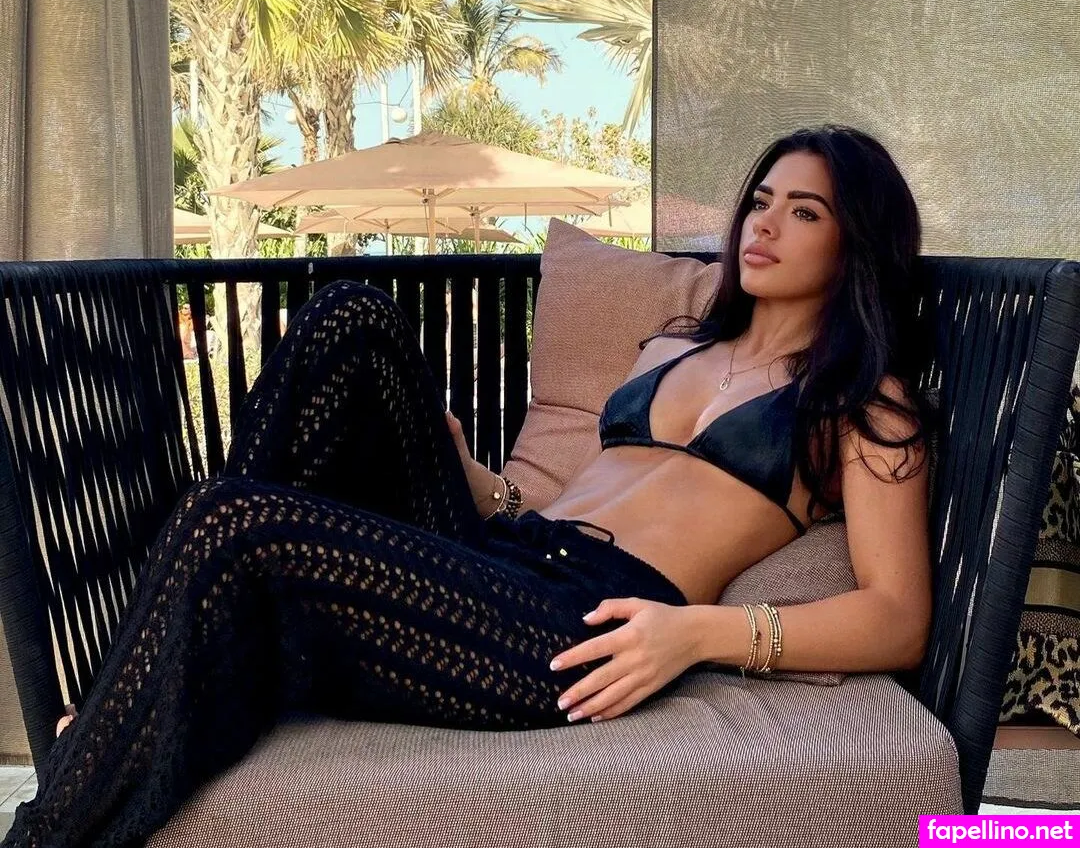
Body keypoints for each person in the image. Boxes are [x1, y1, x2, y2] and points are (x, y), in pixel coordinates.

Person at [13, 124, 934, 847]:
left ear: (856, 242)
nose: (763, 225)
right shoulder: (677, 344)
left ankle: (55, 814)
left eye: (804, 212)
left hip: (579, 622)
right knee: (351, 313)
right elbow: (587, 499)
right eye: (761, 202)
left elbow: (897, 614)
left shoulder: (859, 399)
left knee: (233, 519)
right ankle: (177, 657)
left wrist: (697, 633)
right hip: (508, 551)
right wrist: (483, 487)